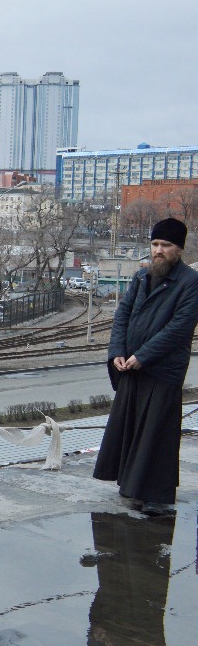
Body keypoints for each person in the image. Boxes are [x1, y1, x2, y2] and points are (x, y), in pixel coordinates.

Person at [94, 217, 198, 516]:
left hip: (162, 370)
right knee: (130, 429)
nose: (158, 250)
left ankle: (157, 495)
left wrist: (143, 355)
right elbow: (122, 316)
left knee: (157, 433)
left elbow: (179, 328)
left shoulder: (190, 282)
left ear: (179, 249)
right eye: (154, 244)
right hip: (131, 366)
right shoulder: (141, 278)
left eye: (165, 245)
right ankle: (131, 487)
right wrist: (117, 351)